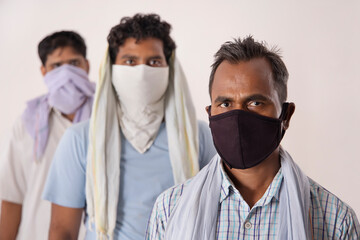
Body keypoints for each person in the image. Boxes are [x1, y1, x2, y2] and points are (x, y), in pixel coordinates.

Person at [146, 36, 360, 240]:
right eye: (226, 104)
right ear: (210, 114)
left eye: (255, 103)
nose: (238, 117)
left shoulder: (334, 220)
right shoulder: (169, 209)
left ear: (286, 115)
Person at [42, 13, 216, 239]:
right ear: (112, 68)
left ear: (168, 67)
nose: (142, 72)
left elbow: (217, 213)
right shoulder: (81, 139)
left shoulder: (198, 136)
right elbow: (62, 230)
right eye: (130, 61)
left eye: (154, 62)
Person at [0, 31, 95, 240]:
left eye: (74, 63)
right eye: (57, 67)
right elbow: (11, 196)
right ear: (44, 71)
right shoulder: (27, 124)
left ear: (87, 66)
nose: (67, 73)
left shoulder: (107, 116)